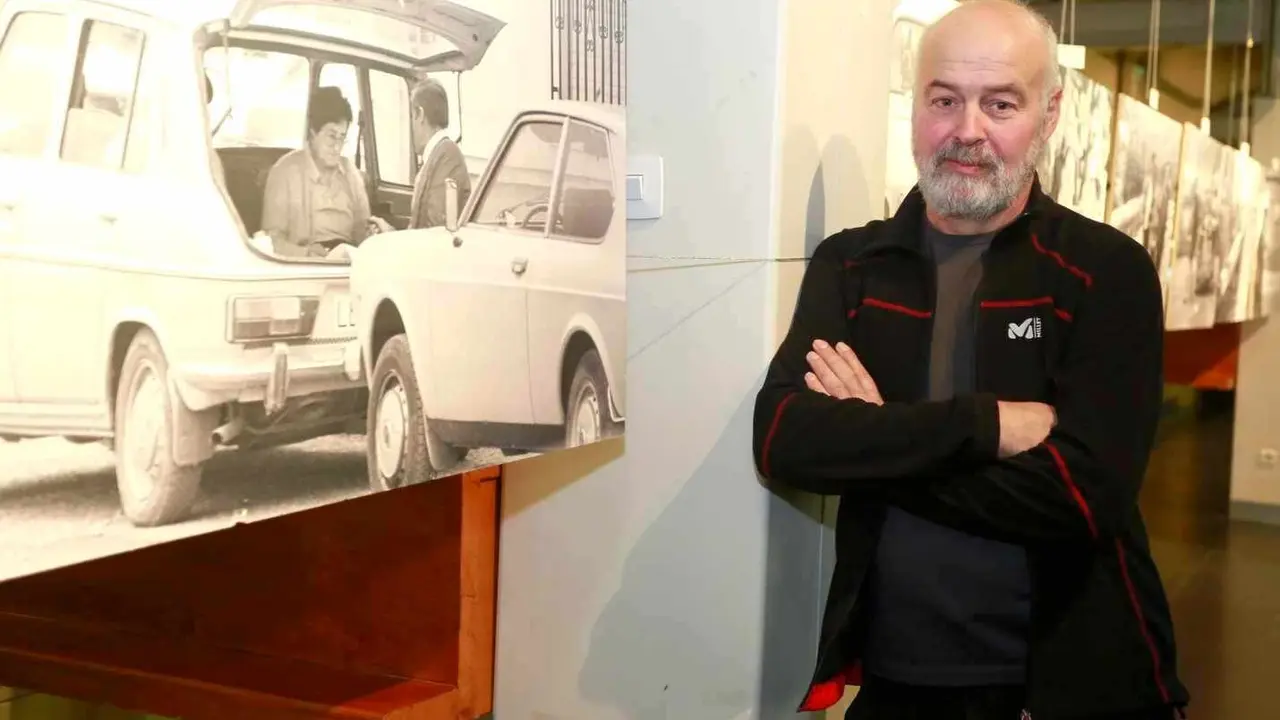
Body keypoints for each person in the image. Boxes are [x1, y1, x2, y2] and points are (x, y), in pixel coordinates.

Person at [752, 2, 1188, 719]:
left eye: (1001, 103)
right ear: (916, 104)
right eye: (944, 100)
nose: (967, 130)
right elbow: (783, 441)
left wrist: (877, 435)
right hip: (895, 682)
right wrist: (984, 428)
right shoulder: (854, 266)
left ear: (1049, 115)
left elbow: (1082, 497)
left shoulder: (1104, 272)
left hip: (1069, 682)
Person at [260, 86, 390, 258]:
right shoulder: (284, 173)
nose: (337, 146)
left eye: (342, 137)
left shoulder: (351, 173)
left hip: (348, 263)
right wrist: (306, 254)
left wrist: (372, 234)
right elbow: (270, 242)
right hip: (305, 269)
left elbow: (361, 231)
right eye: (331, 136)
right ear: (313, 132)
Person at [408, 77, 471, 229]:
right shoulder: (439, 154)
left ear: (420, 115)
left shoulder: (447, 156)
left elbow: (434, 230)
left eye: (412, 116)